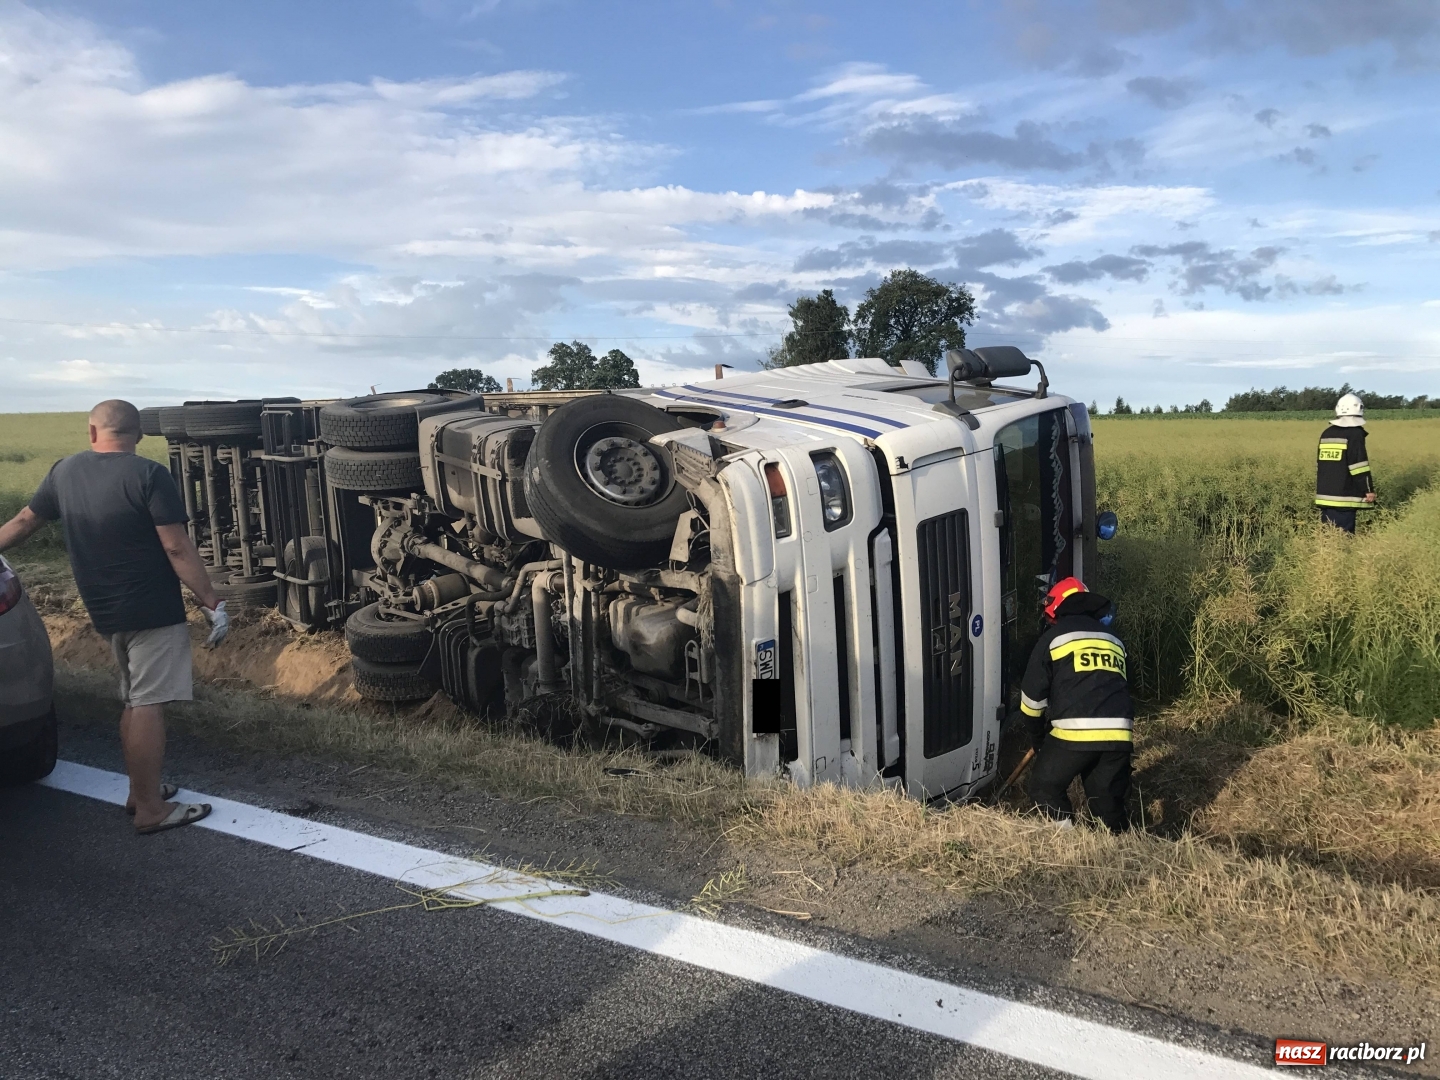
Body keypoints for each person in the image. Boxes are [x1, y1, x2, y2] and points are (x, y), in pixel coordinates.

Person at [0, 400, 229, 834]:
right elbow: (176, 547)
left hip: (105, 609)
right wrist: (211, 601)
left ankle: (139, 791)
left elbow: (25, 521)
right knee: (148, 704)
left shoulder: (63, 471)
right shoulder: (149, 475)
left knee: (133, 698)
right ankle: (150, 809)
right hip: (152, 610)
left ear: (92, 432)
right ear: (139, 436)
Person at [1019, 577, 1134, 832]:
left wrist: (1039, 742)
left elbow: (1031, 703)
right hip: (1119, 734)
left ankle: (1068, 844)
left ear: (1056, 610)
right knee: (1106, 804)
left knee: (1044, 788)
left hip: (1073, 733)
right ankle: (1116, 855)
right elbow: (1123, 688)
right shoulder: (1114, 640)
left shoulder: (1054, 638)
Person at [1315, 392, 1376, 533]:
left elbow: (1321, 464)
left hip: (1325, 496)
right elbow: (1358, 465)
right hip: (1344, 498)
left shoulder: (1327, 433)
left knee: (1328, 536)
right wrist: (1368, 490)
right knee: (1344, 538)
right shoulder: (1355, 433)